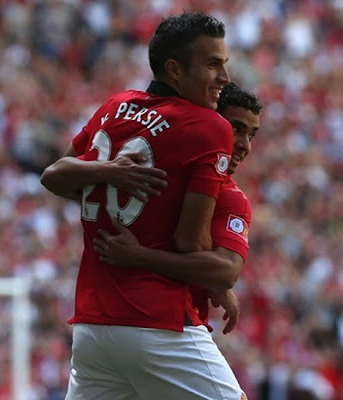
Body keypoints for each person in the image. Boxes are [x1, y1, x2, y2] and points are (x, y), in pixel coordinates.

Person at [41, 12, 247, 400]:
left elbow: (55, 174)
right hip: (157, 322)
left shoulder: (116, 106)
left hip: (93, 326)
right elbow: (190, 241)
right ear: (174, 69)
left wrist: (105, 172)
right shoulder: (209, 125)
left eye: (224, 64)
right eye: (212, 64)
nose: (224, 78)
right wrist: (213, 278)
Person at [93, 82, 262, 336]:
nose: (245, 145)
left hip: (99, 321)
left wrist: (140, 255)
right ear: (211, 121)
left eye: (251, 135)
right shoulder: (155, 170)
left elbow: (224, 272)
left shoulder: (229, 197)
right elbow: (215, 265)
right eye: (236, 129)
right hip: (170, 327)